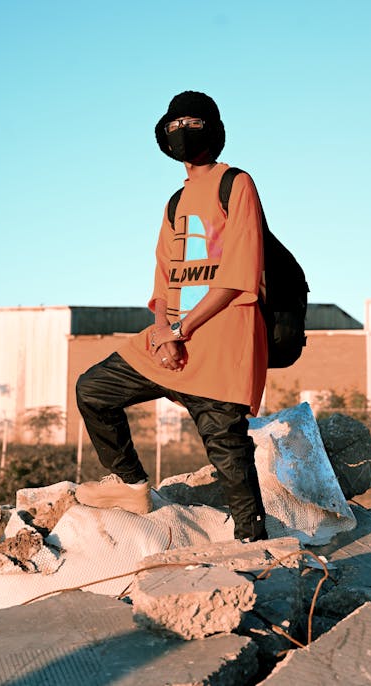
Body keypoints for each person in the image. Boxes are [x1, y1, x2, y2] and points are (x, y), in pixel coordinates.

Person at [75, 90, 268, 542]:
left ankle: (254, 544)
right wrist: (164, 331)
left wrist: (181, 330)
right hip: (168, 340)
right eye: (174, 125)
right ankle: (131, 486)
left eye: (193, 124)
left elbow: (238, 276)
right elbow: (164, 280)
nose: (182, 132)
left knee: (227, 449)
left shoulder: (236, 183)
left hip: (222, 342)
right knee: (94, 389)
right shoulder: (174, 203)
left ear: (214, 132)